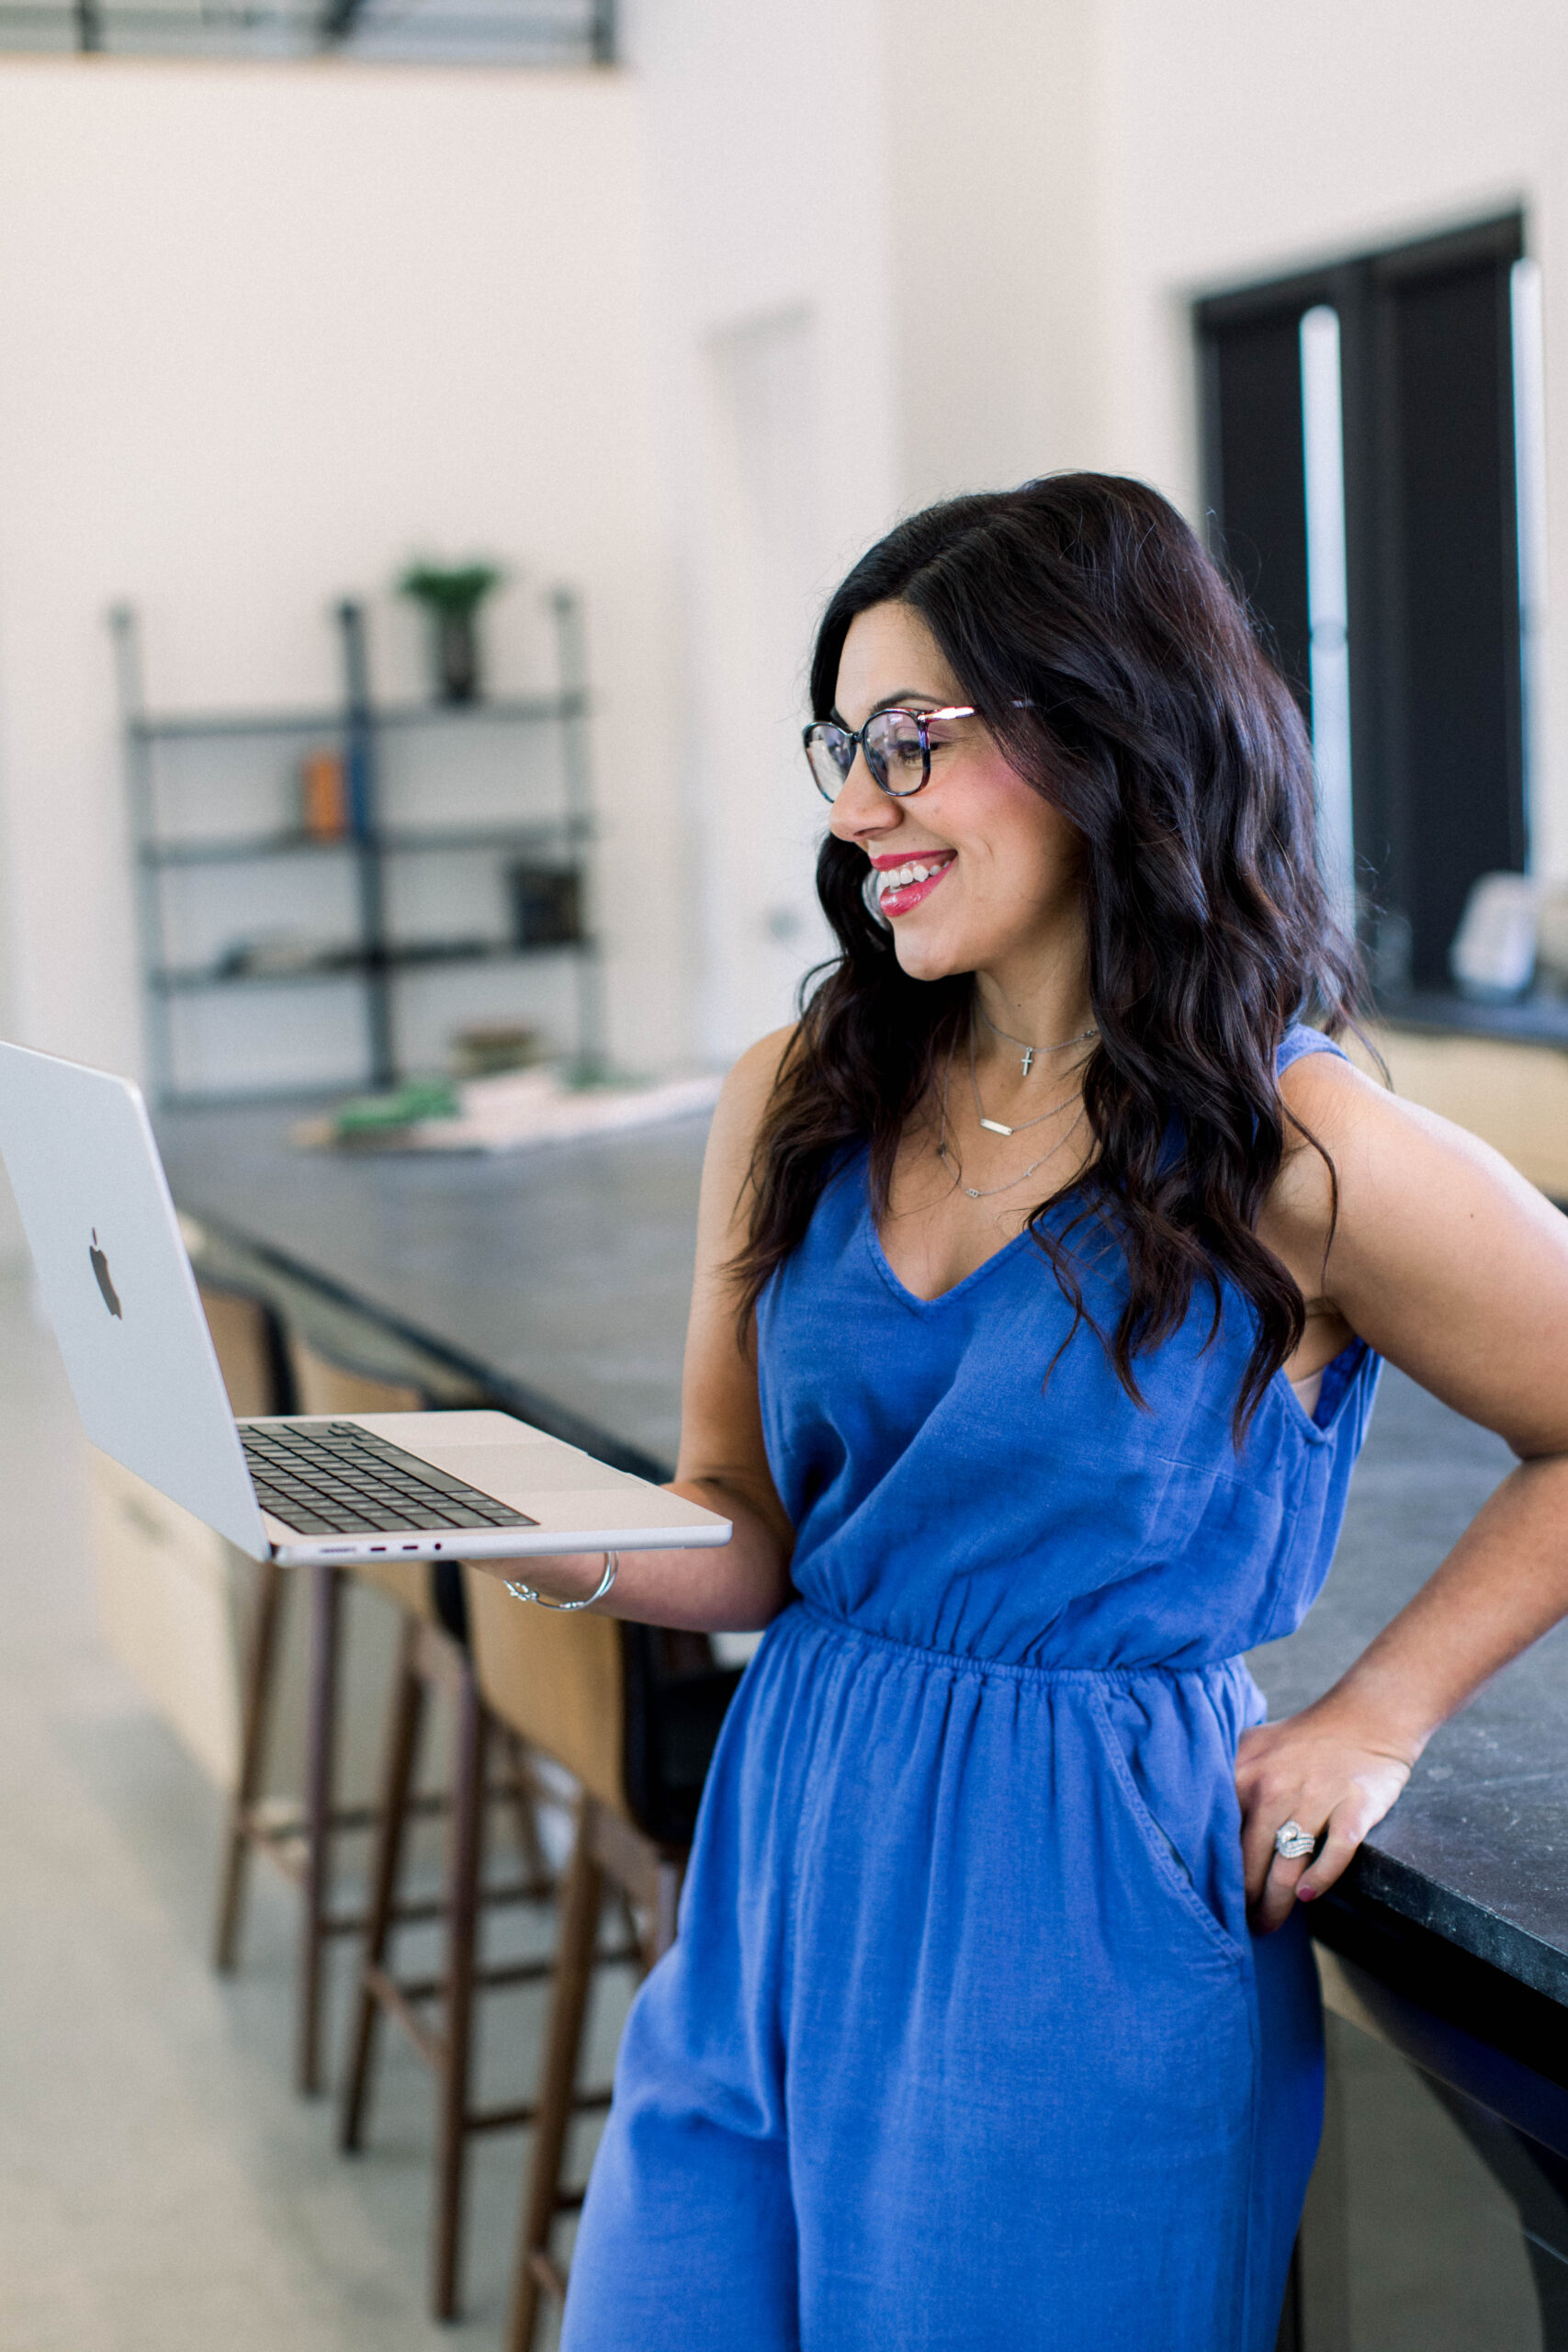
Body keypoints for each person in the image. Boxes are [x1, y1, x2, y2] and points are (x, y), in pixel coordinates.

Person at [478, 476, 1568, 2349]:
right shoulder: (799, 1088)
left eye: (908, 745)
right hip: (788, 1840)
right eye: (842, 747)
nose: (850, 809)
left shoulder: (1292, 1145)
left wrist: (1374, 1715)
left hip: (1078, 1903)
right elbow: (740, 1530)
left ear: (1101, 731)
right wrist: (516, 1523)